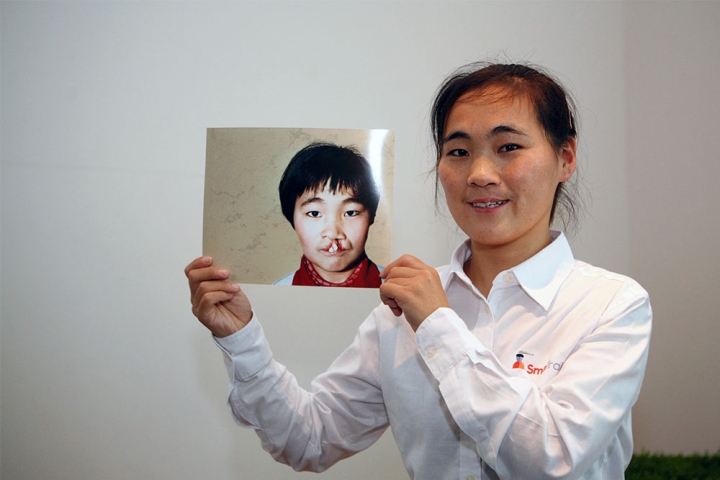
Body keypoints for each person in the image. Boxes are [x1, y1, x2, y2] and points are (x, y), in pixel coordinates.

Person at [185, 62, 652, 479]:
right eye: (458, 151)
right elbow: (310, 440)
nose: (480, 174)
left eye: (508, 146)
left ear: (565, 158)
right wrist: (240, 337)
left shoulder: (611, 305)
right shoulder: (400, 310)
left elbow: (553, 459)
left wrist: (438, 325)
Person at [272, 142, 383, 288]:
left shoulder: (398, 291)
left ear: (371, 215)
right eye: (314, 213)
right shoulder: (276, 292)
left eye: (350, 213)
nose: (333, 233)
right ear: (291, 217)